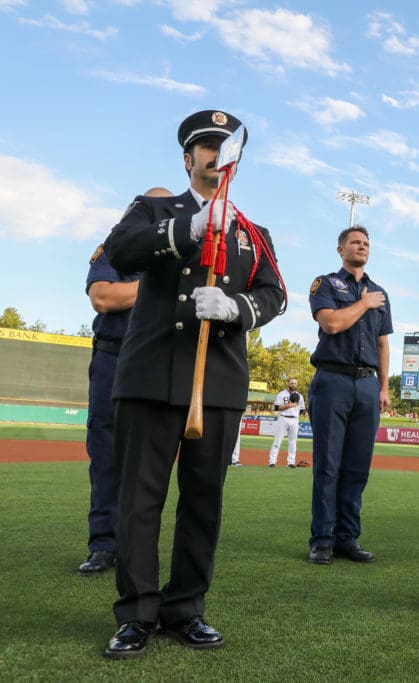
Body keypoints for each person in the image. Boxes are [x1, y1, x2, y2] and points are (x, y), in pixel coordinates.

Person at [101, 109, 285, 659]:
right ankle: (136, 613)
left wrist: (237, 307)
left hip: (220, 381)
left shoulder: (255, 232)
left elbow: (274, 295)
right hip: (151, 374)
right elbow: (120, 250)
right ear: (188, 159)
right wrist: (189, 229)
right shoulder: (153, 209)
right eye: (205, 146)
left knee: (203, 501)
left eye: (224, 147)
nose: (214, 154)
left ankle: (186, 609)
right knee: (139, 501)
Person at [78, 190, 170, 577]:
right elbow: (103, 297)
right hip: (114, 357)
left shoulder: (177, 256)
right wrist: (157, 288)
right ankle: (103, 544)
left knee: (149, 462)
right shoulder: (113, 249)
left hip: (158, 362)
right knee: (106, 454)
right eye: (151, 208)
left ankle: (137, 548)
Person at [306, 225, 392, 565]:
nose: (362, 247)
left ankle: (347, 537)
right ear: (340, 249)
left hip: (367, 384)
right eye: (355, 242)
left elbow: (383, 343)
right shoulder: (326, 284)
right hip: (333, 379)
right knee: (328, 465)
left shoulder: (380, 292)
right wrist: (363, 303)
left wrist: (384, 386)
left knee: (357, 466)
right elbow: (331, 324)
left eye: (366, 243)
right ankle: (322, 539)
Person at [268, 378, 304, 468]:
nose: (293, 385)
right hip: (283, 418)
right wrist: (288, 406)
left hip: (295, 420)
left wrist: (295, 414)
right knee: (277, 441)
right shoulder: (281, 394)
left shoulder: (300, 396)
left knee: (293, 442)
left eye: (295, 383)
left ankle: (291, 462)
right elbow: (276, 408)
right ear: (288, 384)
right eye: (292, 383)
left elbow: (302, 409)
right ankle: (272, 462)